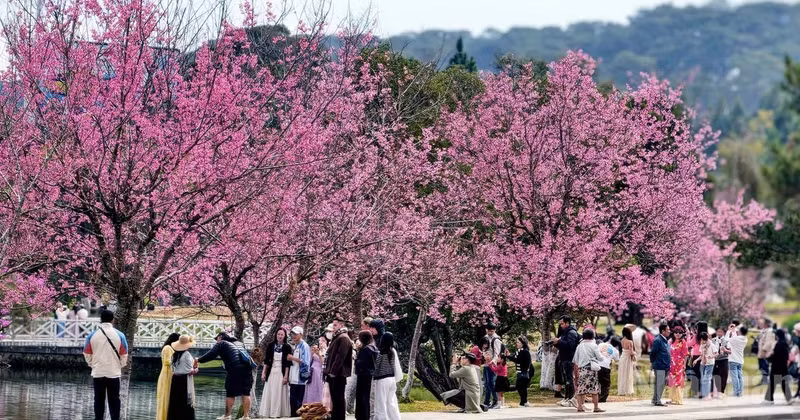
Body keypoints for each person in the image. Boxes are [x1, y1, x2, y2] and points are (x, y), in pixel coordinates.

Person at [82, 309, 129, 420]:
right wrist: (119, 365)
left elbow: (86, 352)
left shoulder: (92, 335)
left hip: (98, 372)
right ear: (113, 320)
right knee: (114, 400)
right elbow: (124, 354)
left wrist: (92, 364)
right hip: (113, 372)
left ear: (100, 320)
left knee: (98, 399)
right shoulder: (120, 335)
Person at [197, 332, 254, 420]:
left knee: (230, 393)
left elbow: (211, 355)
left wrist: (198, 360)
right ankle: (246, 416)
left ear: (220, 337)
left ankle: (227, 416)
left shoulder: (222, 343)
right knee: (246, 392)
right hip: (247, 368)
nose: (216, 341)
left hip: (235, 368)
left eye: (217, 339)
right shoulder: (239, 343)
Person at [259, 328, 291, 418]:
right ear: (276, 335)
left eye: (282, 335)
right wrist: (263, 373)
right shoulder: (270, 345)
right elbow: (266, 361)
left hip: (281, 371)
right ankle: (269, 413)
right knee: (271, 391)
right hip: (271, 371)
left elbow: (288, 364)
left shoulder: (287, 347)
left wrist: (286, 376)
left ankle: (278, 413)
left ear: (284, 336)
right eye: (278, 334)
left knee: (279, 392)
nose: (280, 336)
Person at [324, 319, 353, 420]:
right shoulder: (337, 337)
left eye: (335, 325)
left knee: (338, 398)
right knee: (335, 398)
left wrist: (333, 372)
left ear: (341, 325)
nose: (333, 327)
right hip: (334, 373)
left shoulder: (343, 337)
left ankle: (339, 417)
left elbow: (340, 357)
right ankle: (336, 417)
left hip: (338, 374)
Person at [572, 329, 605, 413]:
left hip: (582, 369)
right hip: (591, 369)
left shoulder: (579, 346)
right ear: (592, 336)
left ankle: (579, 407)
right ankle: (596, 407)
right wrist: (602, 353)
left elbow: (575, 360)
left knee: (581, 388)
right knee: (594, 389)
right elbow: (600, 358)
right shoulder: (594, 345)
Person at [372, 332, 402, 420]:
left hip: (382, 379)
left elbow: (376, 366)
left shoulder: (380, 352)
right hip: (392, 379)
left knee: (380, 403)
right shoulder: (392, 351)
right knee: (391, 402)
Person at [168, 335, 198, 420]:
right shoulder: (187, 354)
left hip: (175, 380)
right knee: (185, 403)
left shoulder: (174, 355)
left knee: (175, 402)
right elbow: (190, 371)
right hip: (184, 381)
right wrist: (196, 368)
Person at [553, 315, 579, 407]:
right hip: (563, 358)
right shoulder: (564, 332)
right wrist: (556, 343)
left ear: (567, 323)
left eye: (562, 324)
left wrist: (559, 342)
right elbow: (562, 346)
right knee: (565, 380)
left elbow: (569, 346)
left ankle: (570, 399)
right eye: (560, 324)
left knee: (569, 380)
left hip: (569, 359)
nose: (561, 326)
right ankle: (566, 398)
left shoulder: (571, 332)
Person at [763, 329, 792, 405]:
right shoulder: (785, 344)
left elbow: (775, 356)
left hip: (776, 367)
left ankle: (769, 399)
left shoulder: (778, 344)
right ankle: (788, 398)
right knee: (783, 383)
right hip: (783, 367)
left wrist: (769, 357)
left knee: (773, 383)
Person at [287, 326, 311, 417]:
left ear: (301, 335)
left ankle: (296, 417)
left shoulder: (304, 346)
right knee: (292, 401)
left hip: (300, 379)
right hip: (294, 378)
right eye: (293, 334)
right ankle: (293, 416)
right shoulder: (297, 345)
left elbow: (305, 362)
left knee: (297, 402)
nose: (294, 336)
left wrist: (292, 358)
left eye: (296, 334)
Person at [354, 330, 378, 420]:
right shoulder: (373, 348)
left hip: (363, 375)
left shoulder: (366, 349)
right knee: (365, 397)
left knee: (362, 397)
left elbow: (361, 363)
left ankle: (362, 416)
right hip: (368, 375)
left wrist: (356, 359)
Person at [157, 333, 180, 420]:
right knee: (165, 396)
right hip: (167, 373)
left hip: (168, 372)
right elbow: (167, 362)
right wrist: (177, 362)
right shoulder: (168, 348)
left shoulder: (168, 348)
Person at [507, 336, 533, 407]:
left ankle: (524, 401)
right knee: (520, 387)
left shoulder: (524, 351)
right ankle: (523, 402)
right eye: (517, 342)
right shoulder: (519, 351)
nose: (517, 344)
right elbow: (515, 358)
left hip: (524, 372)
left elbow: (518, 360)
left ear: (522, 343)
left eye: (518, 342)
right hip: (520, 372)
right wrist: (508, 356)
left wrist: (509, 356)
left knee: (522, 387)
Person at [650, 323, 671, 406]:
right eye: (668, 330)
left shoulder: (665, 339)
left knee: (661, 383)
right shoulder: (658, 340)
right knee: (660, 384)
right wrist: (653, 362)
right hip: (659, 365)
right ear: (663, 331)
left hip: (665, 365)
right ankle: (658, 401)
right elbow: (653, 353)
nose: (669, 331)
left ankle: (655, 399)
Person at [724, 324, 747, 397]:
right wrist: (733, 331)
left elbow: (726, 340)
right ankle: (740, 392)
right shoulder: (745, 339)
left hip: (733, 360)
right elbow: (735, 338)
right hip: (740, 360)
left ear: (740, 331)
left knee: (735, 377)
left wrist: (728, 331)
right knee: (740, 377)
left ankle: (736, 392)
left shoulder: (735, 339)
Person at [667, 325, 688, 405]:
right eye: (676, 332)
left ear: (682, 333)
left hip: (680, 365)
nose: (678, 334)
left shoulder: (683, 342)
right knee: (672, 381)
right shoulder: (671, 341)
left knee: (678, 382)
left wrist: (685, 365)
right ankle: (672, 398)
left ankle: (678, 400)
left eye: (679, 332)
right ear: (673, 333)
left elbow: (686, 355)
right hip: (672, 364)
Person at [694, 332, 715, 400]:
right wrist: (696, 360)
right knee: (703, 379)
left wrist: (711, 357)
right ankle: (704, 394)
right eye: (701, 340)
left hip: (709, 364)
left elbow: (717, 353)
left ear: (705, 339)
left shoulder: (711, 345)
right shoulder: (702, 345)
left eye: (702, 340)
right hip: (702, 364)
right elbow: (701, 355)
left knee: (707, 379)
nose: (701, 341)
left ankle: (708, 395)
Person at [712, 326, 731, 397]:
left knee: (723, 376)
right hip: (715, 360)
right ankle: (718, 390)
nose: (719, 333)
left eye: (721, 332)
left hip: (724, 360)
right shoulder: (713, 340)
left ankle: (722, 391)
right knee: (716, 375)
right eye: (718, 332)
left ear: (724, 333)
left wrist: (725, 350)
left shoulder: (726, 341)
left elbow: (730, 351)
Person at [757, 317, 776, 386]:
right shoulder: (763, 330)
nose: (761, 324)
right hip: (761, 352)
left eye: (762, 323)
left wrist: (764, 350)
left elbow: (769, 342)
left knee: (765, 366)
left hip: (766, 352)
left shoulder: (770, 331)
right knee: (761, 366)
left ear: (766, 324)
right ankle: (763, 379)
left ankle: (766, 380)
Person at [618, 326, 636, 396]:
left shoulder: (622, 340)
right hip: (627, 359)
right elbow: (631, 352)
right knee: (628, 373)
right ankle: (627, 389)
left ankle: (622, 389)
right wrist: (635, 353)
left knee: (622, 373)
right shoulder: (630, 342)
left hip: (622, 358)